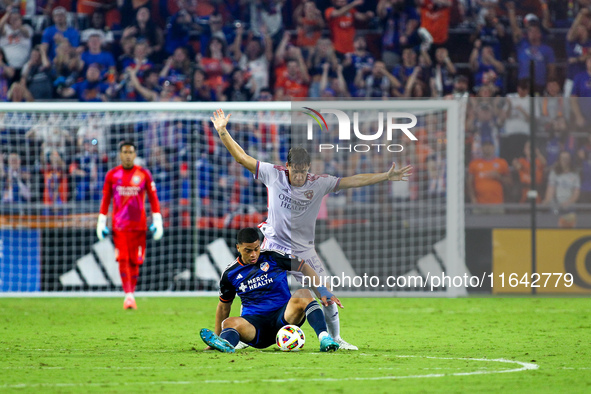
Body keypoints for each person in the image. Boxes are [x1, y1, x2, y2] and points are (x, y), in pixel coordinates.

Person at [210, 109, 412, 350]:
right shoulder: (273, 174)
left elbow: (353, 181)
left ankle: (335, 338)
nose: (299, 176)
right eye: (296, 171)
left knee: (325, 292)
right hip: (273, 244)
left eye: (303, 171)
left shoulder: (319, 183)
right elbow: (242, 158)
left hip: (303, 250)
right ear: (287, 166)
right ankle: (245, 333)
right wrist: (222, 131)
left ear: (309, 169)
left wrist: (386, 177)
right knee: (256, 284)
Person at [200, 227, 341, 353]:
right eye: (248, 251)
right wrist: (217, 335)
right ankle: (223, 343)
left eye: (256, 249)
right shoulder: (230, 273)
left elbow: (303, 266)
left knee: (304, 293)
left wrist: (322, 289)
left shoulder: (273, 257)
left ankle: (324, 339)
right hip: (255, 327)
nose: (253, 254)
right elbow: (224, 307)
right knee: (229, 323)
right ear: (238, 248)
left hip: (284, 317)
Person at [96, 141, 163, 309]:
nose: (127, 155)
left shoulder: (144, 174)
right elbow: (105, 200)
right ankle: (129, 295)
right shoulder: (112, 175)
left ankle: (130, 293)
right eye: (124, 152)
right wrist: (101, 222)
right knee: (123, 259)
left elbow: (153, 199)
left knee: (135, 261)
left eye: (130, 152)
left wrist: (157, 221)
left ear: (135, 154)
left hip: (139, 226)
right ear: (120, 154)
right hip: (119, 226)